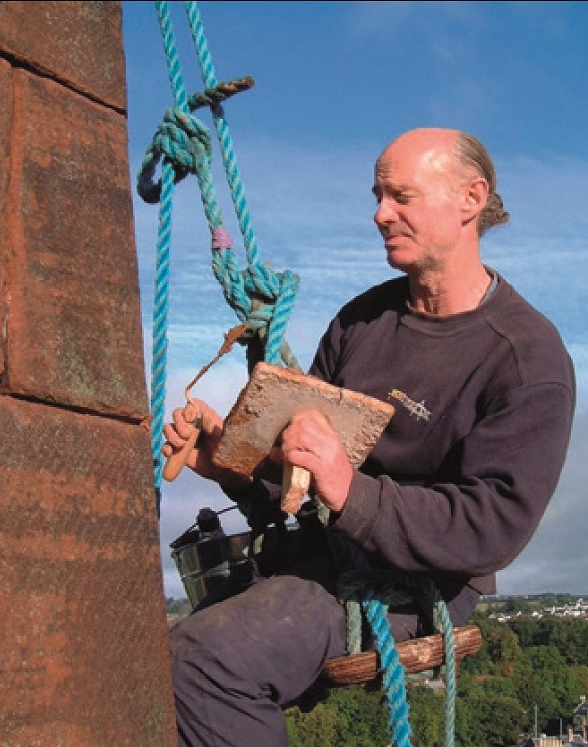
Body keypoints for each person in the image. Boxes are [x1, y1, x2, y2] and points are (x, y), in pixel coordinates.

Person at [163, 127, 576, 746]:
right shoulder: (363, 320)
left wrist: (348, 488)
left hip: (416, 587)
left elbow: (491, 526)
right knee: (135, 650)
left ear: (471, 198)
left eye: (400, 196)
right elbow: (301, 479)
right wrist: (228, 463)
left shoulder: (525, 359)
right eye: (378, 195)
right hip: (321, 553)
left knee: (202, 666)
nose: (380, 214)